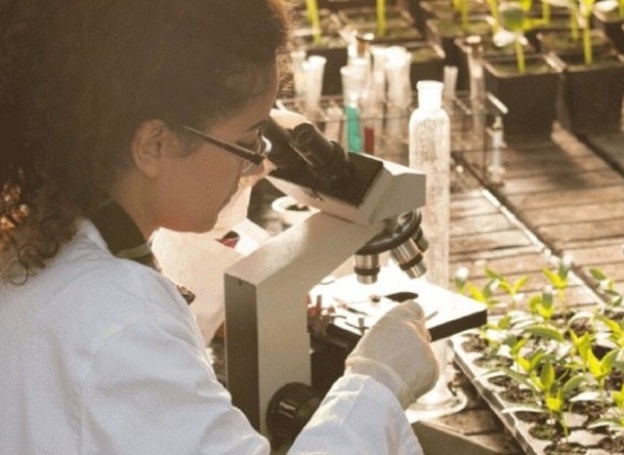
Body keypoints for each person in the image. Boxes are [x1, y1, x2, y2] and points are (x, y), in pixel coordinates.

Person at [0, 0, 439, 453]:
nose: (259, 164)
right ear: (154, 144)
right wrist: (378, 384)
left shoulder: (43, 239)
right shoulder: (124, 324)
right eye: (248, 142)